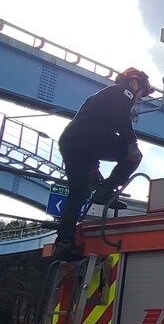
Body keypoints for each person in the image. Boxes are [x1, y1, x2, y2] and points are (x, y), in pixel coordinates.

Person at [52, 68, 150, 260]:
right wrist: (132, 144)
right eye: (143, 93)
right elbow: (120, 118)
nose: (140, 98)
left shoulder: (105, 97)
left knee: (78, 193)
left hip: (72, 142)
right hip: (87, 141)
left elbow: (91, 128)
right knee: (133, 157)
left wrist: (94, 168)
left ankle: (64, 243)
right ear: (135, 83)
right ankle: (105, 192)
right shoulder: (123, 92)